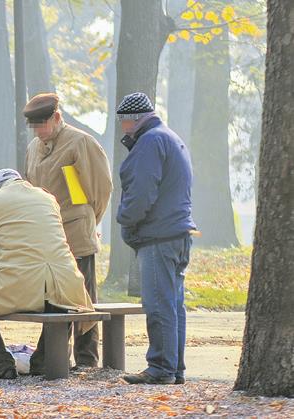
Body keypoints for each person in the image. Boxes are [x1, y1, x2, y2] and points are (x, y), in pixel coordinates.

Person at [0, 169, 95, 383]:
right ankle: (43, 363)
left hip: (20, 284)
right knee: (63, 305)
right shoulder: (48, 198)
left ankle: (0, 366)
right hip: (67, 281)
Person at [23, 93, 112, 369]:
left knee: (83, 299)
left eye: (42, 125)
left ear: (57, 118)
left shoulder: (80, 143)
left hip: (76, 232)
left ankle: (87, 359)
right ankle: (52, 354)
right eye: (34, 127)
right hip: (48, 236)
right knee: (52, 295)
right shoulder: (33, 148)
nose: (38, 131)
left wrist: (88, 220)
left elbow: (100, 189)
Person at [114, 92, 196, 385]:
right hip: (178, 233)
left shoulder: (149, 143)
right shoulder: (169, 137)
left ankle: (161, 367)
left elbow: (141, 193)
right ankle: (175, 367)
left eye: (123, 122)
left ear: (132, 120)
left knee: (159, 302)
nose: (122, 129)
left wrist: (124, 218)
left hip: (158, 236)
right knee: (173, 303)